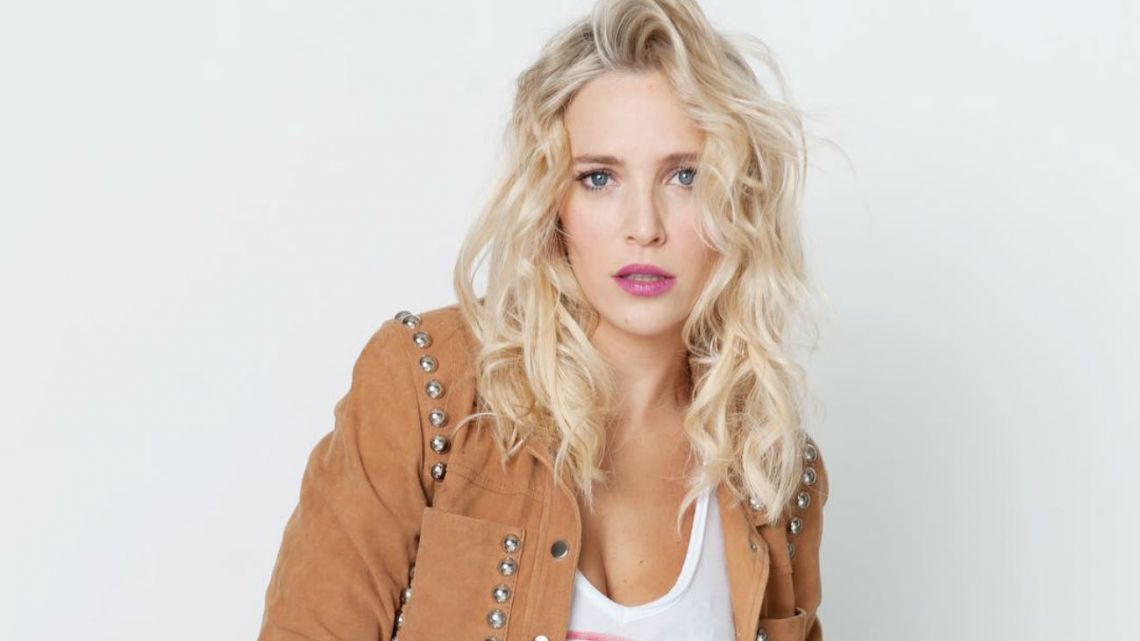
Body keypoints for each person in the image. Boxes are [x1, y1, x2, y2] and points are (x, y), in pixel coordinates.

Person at [257, 1, 830, 640]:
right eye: (599, 178)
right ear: (552, 199)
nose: (644, 226)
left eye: (686, 176)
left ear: (740, 201)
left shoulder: (769, 465)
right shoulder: (430, 391)